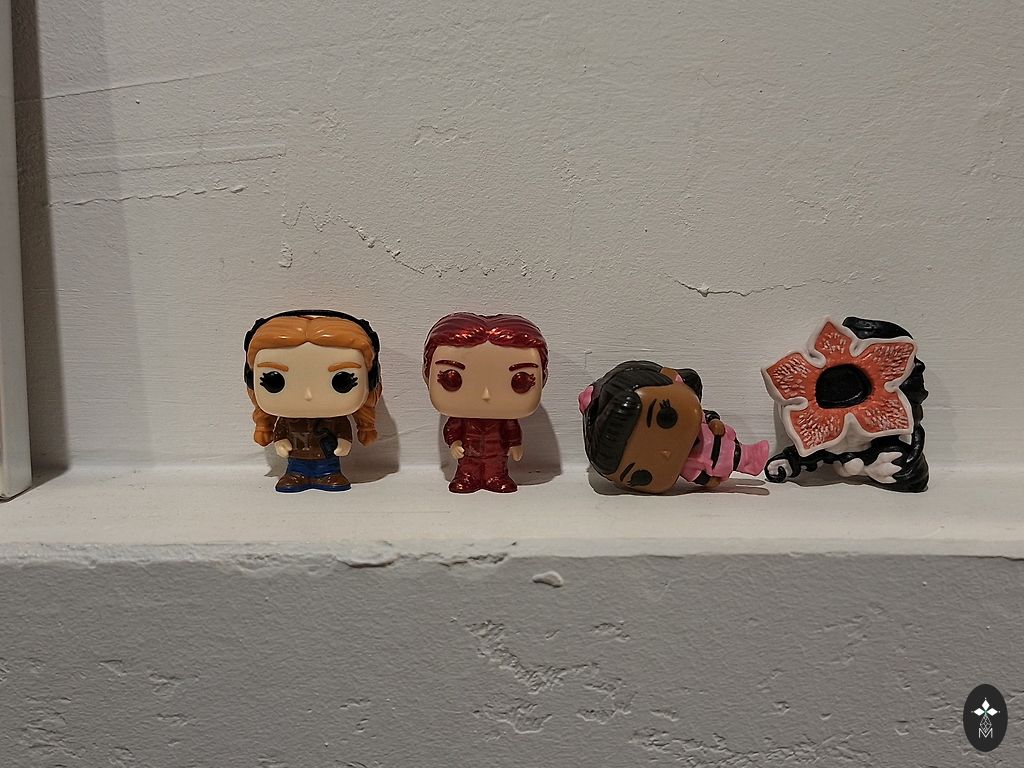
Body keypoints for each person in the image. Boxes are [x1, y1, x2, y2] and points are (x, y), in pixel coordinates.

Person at [579, 361, 768, 493]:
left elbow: (709, 416)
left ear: (676, 379)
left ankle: (748, 457)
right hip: (712, 465)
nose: (666, 453)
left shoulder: (699, 424)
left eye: (666, 418)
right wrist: (706, 480)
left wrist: (713, 421)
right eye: (641, 476)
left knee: (735, 454)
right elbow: (695, 476)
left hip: (722, 446)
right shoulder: (686, 467)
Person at [244, 311, 382, 492]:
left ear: (370, 381)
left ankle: (328, 475)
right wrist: (280, 442)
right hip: (297, 457)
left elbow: (343, 430)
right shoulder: (287, 420)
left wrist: (344, 442)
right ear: (251, 380)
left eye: (342, 381)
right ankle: (296, 476)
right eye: (274, 381)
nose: (308, 395)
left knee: (329, 469)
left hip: (326, 456)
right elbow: (281, 431)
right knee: (296, 470)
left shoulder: (335, 420)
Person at [423, 313, 548, 493]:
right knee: (468, 468)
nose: (486, 395)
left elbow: (512, 430)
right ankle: (467, 477)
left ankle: (496, 477)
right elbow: (452, 428)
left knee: (496, 467)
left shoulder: (506, 420)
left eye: (520, 381)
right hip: (469, 454)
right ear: (427, 375)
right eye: (452, 379)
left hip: (497, 453)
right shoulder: (461, 418)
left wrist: (515, 444)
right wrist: (454, 443)